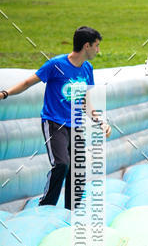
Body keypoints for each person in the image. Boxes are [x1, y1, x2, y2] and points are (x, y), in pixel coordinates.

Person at [0, 26, 111, 209]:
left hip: (75, 124)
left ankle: (71, 210)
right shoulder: (56, 65)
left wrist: (100, 121)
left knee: (78, 169)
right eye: (96, 45)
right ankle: (46, 206)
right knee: (61, 164)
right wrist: (5, 93)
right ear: (87, 46)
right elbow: (28, 82)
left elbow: (85, 102)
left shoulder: (87, 69)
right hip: (54, 122)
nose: (98, 50)